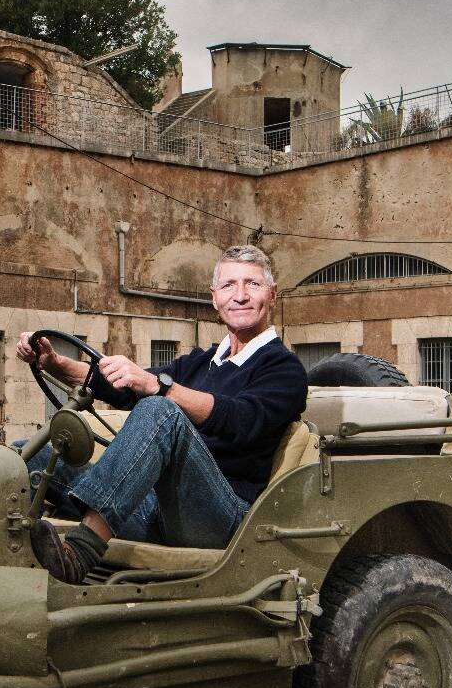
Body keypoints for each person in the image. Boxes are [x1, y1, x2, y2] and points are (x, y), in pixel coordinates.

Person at [16, 245, 308, 582]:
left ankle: (81, 551)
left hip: (220, 518)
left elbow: (239, 419)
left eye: (252, 285)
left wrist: (160, 387)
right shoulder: (202, 361)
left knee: (160, 411)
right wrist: (55, 363)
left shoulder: (284, 369)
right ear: (214, 299)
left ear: (272, 295)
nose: (239, 296)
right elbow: (125, 386)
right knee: (29, 453)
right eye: (229, 286)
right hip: (156, 509)